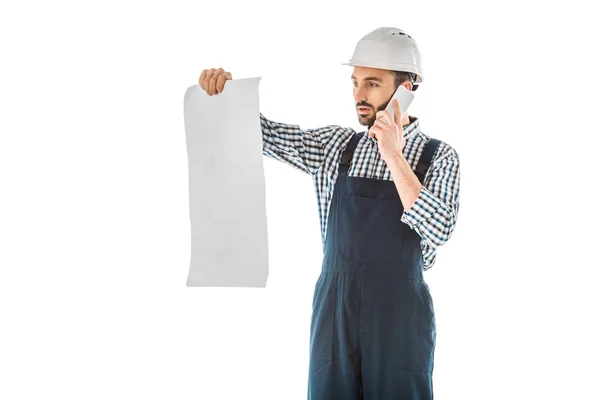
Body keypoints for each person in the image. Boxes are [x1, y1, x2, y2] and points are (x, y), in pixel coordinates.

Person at [198, 27, 460, 400]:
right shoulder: (337, 147)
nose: (358, 96)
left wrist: (393, 154)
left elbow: (441, 228)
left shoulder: (438, 156)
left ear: (408, 89)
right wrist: (225, 98)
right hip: (335, 310)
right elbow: (266, 136)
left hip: (399, 318)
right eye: (355, 82)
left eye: (372, 83)